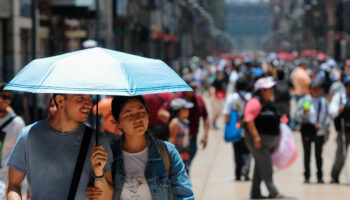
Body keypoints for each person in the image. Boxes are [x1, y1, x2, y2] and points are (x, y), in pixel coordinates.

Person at [6, 93, 113, 199]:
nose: (88, 104)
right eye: (80, 98)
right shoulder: (29, 135)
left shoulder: (97, 140)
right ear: (60, 100)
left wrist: (99, 173)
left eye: (89, 97)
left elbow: (106, 198)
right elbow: (13, 185)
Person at [86, 95, 194, 200]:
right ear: (118, 123)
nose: (137, 118)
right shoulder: (109, 156)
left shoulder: (167, 152)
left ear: (148, 116)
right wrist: (98, 172)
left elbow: (185, 195)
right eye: (129, 114)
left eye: (141, 111)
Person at [158, 76, 209, 170]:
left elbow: (205, 116)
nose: (194, 90)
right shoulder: (176, 99)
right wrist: (176, 120)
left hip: (192, 139)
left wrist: (205, 135)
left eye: (195, 87)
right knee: (181, 169)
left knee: (186, 167)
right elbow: (161, 113)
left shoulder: (199, 100)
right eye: (191, 88)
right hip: (179, 141)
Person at [244, 77, 283, 199]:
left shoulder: (269, 102)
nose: (271, 90)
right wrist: (256, 137)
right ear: (261, 91)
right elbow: (249, 120)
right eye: (268, 89)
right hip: (257, 142)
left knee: (260, 166)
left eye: (271, 88)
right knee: (267, 166)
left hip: (268, 142)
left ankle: (255, 193)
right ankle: (274, 192)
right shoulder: (254, 102)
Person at [295, 80, 331, 184]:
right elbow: (296, 116)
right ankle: (307, 176)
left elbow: (328, 117)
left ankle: (320, 176)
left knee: (319, 154)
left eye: (318, 88)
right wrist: (304, 112)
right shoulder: (304, 101)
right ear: (310, 89)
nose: (316, 91)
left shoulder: (323, 102)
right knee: (307, 154)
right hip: (307, 130)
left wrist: (322, 125)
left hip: (319, 131)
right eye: (314, 88)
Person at [222, 78, 252, 181]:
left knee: (237, 150)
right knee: (248, 150)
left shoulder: (231, 98)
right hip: (247, 126)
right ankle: (246, 169)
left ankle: (238, 173)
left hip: (235, 126)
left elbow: (226, 114)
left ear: (236, 87)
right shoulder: (250, 97)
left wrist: (228, 125)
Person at [0, 84, 25, 199]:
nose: (7, 101)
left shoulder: (17, 123)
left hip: (4, 183)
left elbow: (22, 156)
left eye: (10, 98)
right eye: (4, 96)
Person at [329, 76, 350, 184]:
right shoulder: (340, 97)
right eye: (348, 85)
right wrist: (339, 109)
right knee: (341, 154)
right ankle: (334, 175)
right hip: (343, 130)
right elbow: (332, 110)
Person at [168, 98, 193, 172]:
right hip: (178, 159)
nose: (188, 110)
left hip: (184, 158)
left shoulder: (185, 122)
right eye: (185, 108)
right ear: (179, 110)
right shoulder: (175, 123)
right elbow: (171, 142)